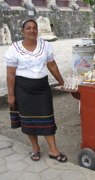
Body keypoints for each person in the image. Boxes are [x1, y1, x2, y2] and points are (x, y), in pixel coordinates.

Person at [4, 19, 67, 162]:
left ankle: (53, 150)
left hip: (42, 88)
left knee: (47, 118)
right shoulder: (14, 49)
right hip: (23, 90)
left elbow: (51, 65)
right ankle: (35, 148)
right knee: (28, 120)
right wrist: (11, 95)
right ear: (22, 31)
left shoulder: (45, 46)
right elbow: (10, 74)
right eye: (28, 28)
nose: (32, 30)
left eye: (35, 28)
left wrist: (62, 82)